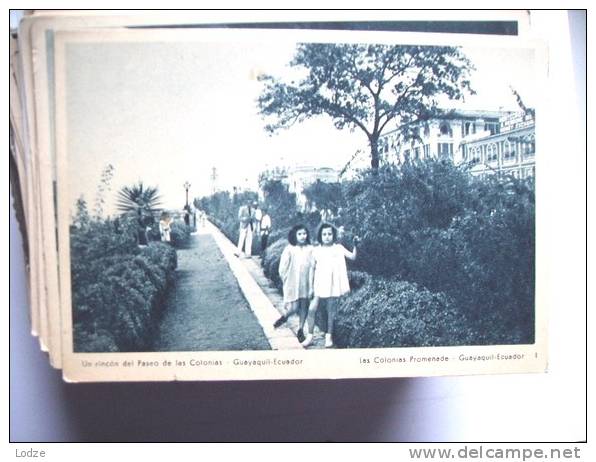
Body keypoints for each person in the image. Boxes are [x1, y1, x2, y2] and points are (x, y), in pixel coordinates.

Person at [301, 223, 359, 348]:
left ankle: (329, 336)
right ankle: (309, 336)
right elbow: (312, 268)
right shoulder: (316, 250)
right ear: (320, 236)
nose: (327, 237)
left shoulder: (338, 248)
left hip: (332, 283)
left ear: (333, 235)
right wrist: (310, 287)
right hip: (319, 282)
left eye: (329, 234)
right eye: (324, 234)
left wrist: (355, 245)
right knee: (311, 309)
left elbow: (353, 257)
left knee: (330, 311)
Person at [273, 224, 313, 343]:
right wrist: (285, 278)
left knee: (304, 305)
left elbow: (313, 264)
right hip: (293, 281)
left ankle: (300, 330)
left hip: (305, 281)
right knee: (294, 307)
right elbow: (283, 267)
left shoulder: (310, 249)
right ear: (295, 235)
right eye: (300, 234)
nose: (302, 236)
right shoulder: (290, 249)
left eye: (304, 234)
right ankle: (285, 316)